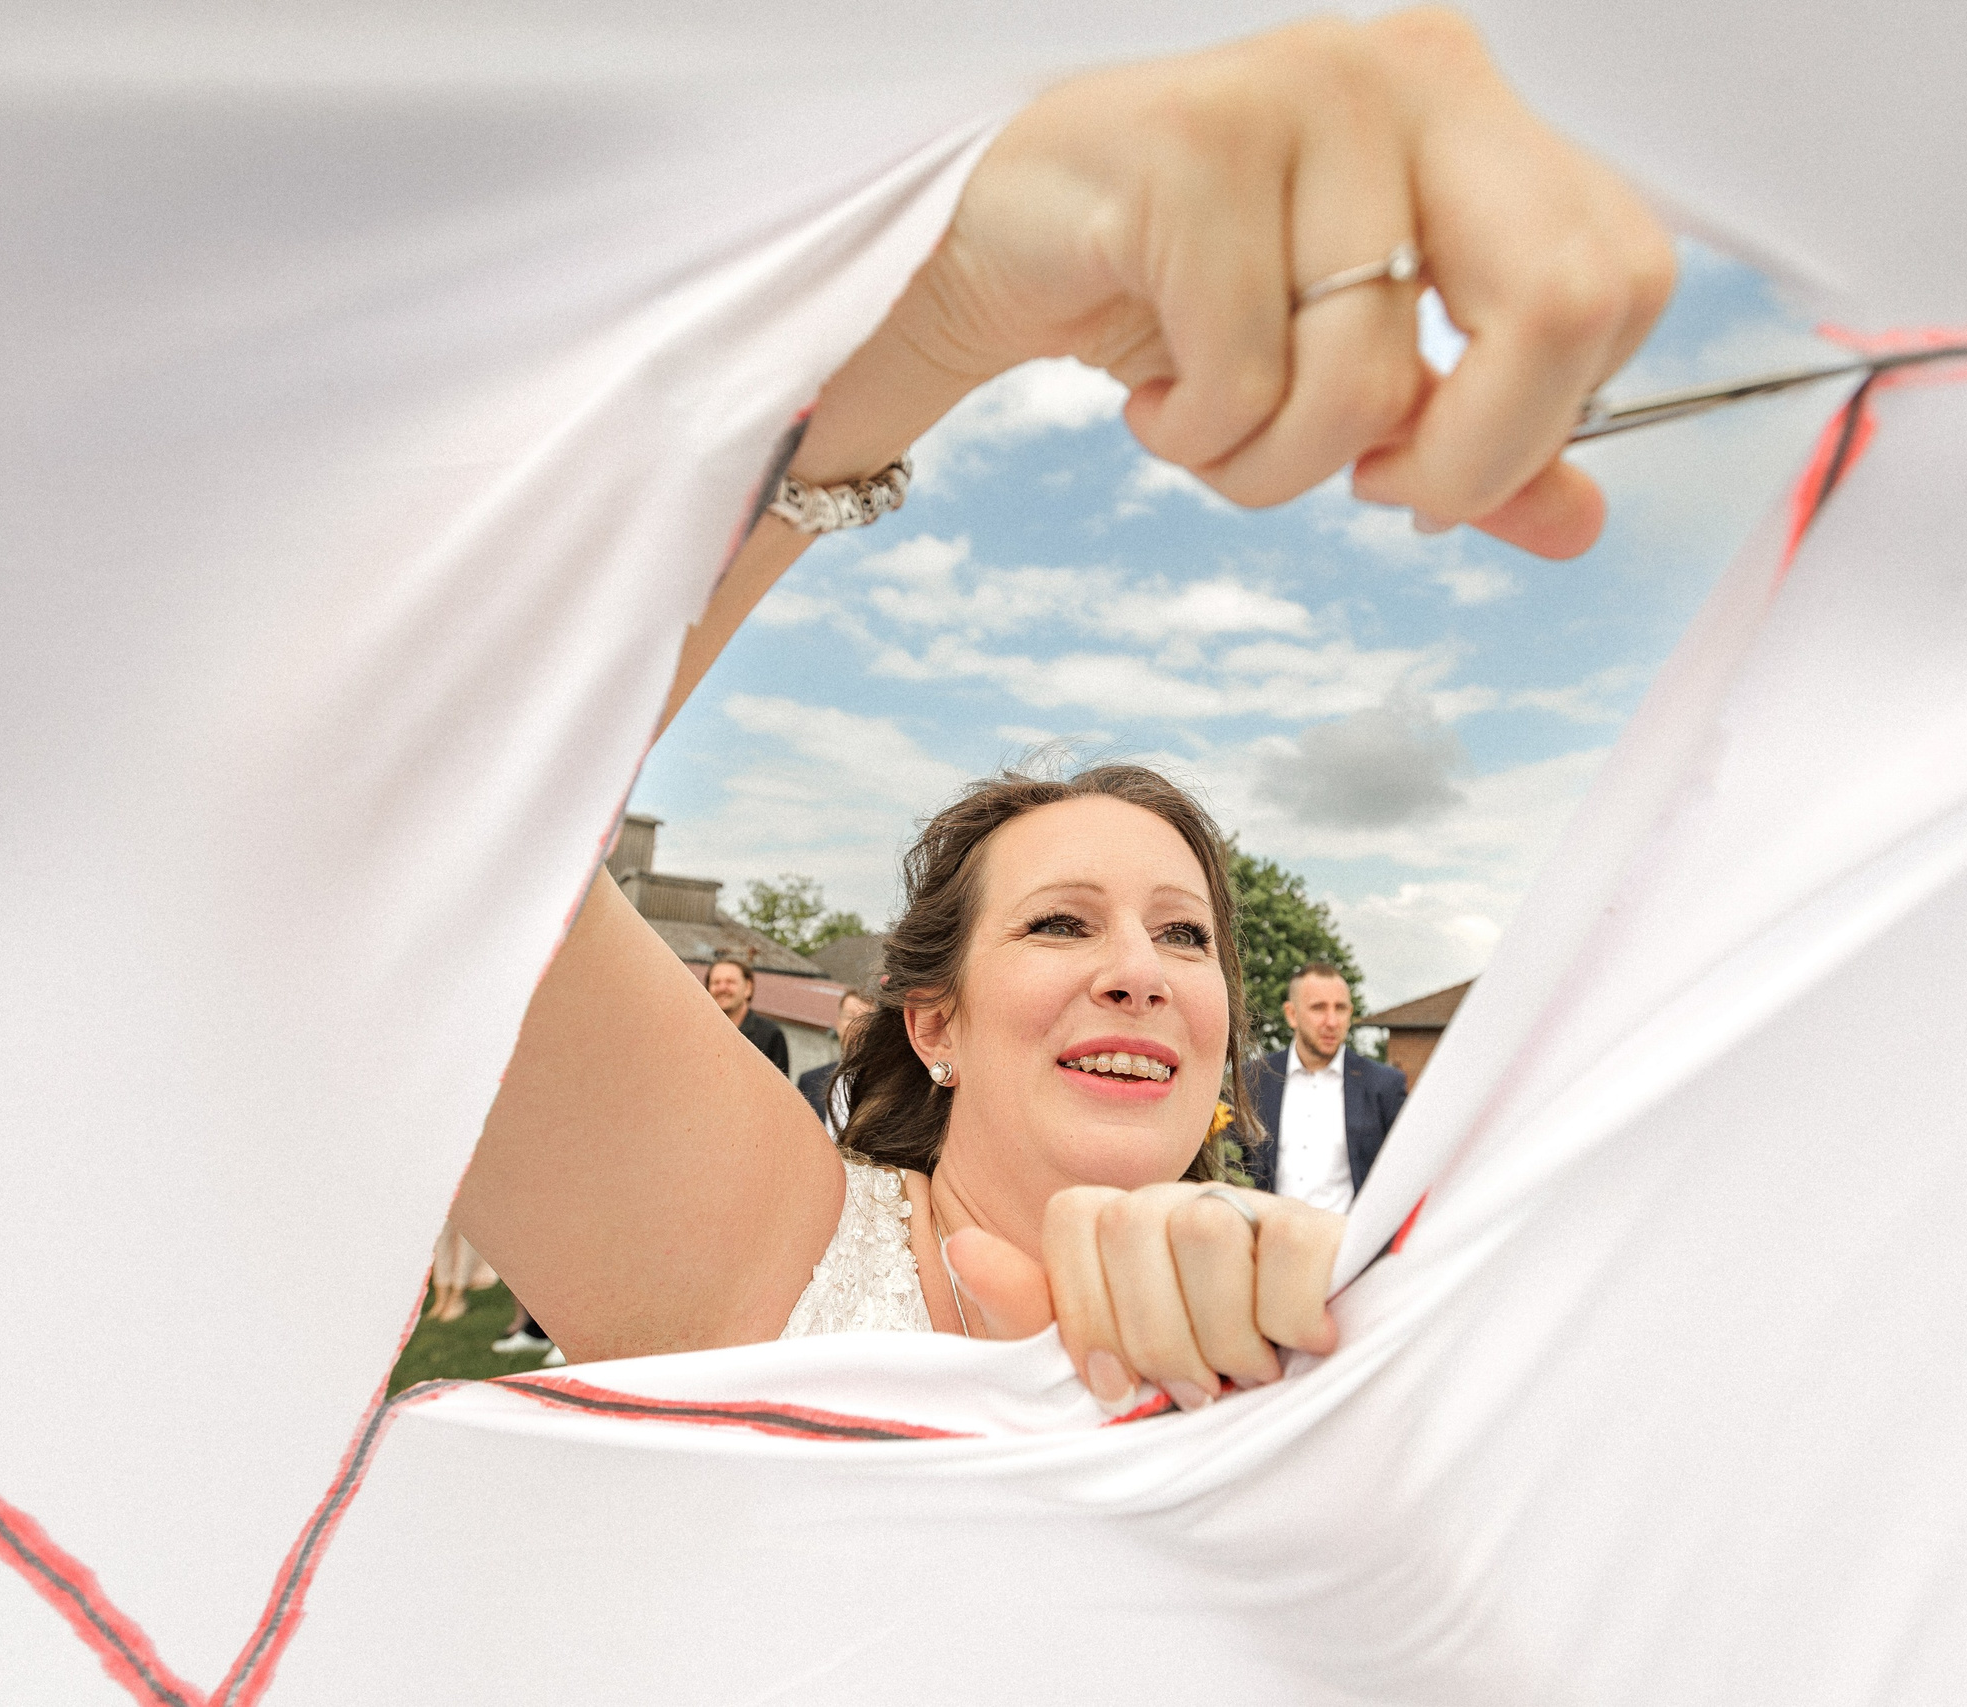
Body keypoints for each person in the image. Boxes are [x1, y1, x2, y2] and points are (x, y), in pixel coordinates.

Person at [453, 8, 1671, 1408]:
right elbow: (427, 809)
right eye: (1057, 920)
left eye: (1185, 933)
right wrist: (953, 306)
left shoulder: (1353, 1331)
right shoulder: (760, 1251)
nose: (1141, 968)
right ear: (936, 1025)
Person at [1243, 964, 1409, 1214]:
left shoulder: (1383, 1085)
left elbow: (1403, 1174)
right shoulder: (1251, 1080)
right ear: (1291, 1014)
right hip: (1267, 1241)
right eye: (1318, 1008)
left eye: (1340, 1008)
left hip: (1346, 1244)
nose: (1332, 1021)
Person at [797, 988, 878, 1135]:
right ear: (838, 1023)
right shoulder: (809, 1081)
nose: (857, 1025)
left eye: (866, 1018)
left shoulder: (884, 1086)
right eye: (851, 1017)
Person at [707, 955, 790, 1077]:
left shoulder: (770, 1035)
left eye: (730, 982)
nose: (722, 988)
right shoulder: (699, 1031)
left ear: (748, 988)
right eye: (716, 982)